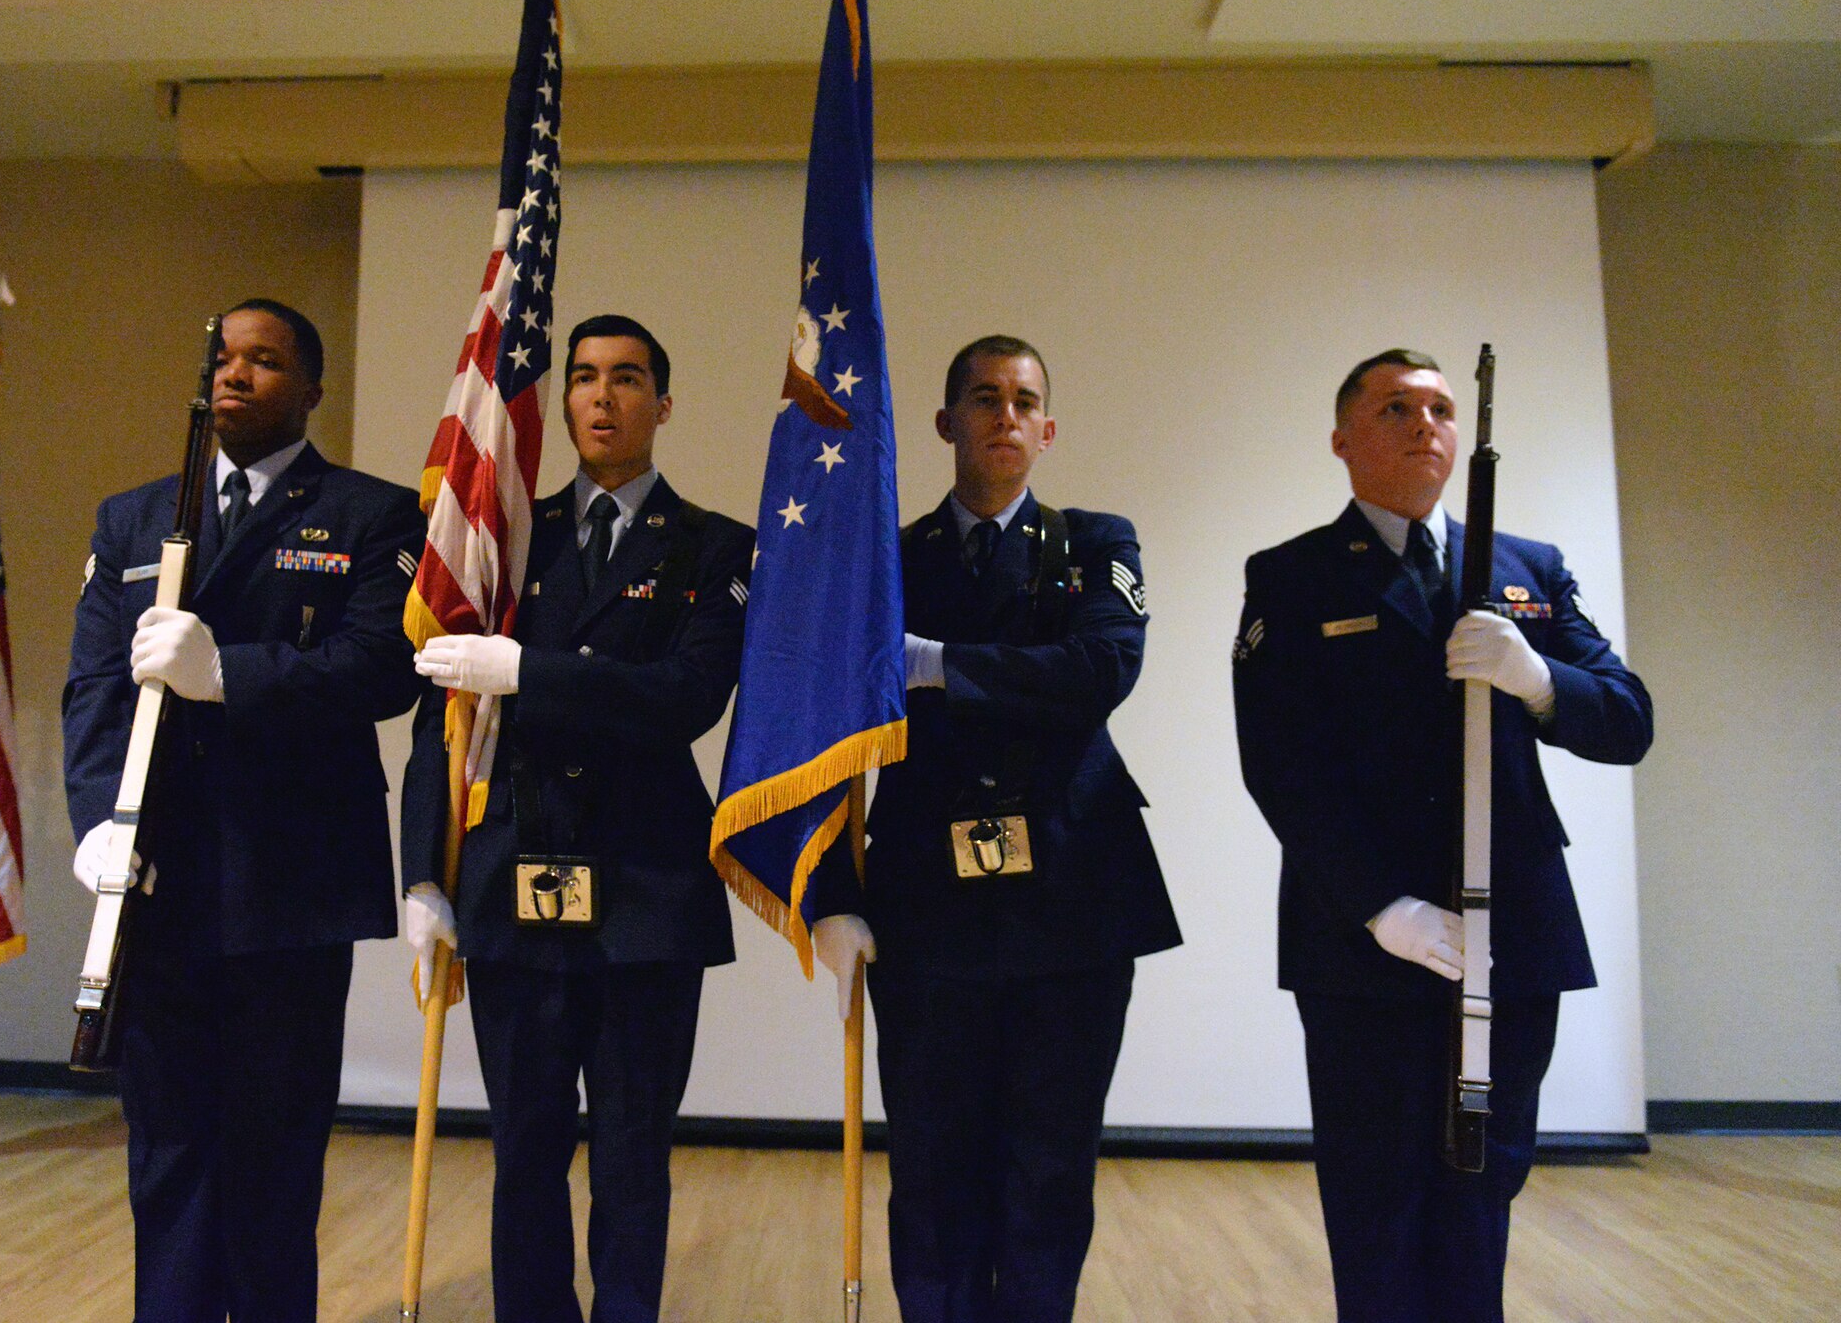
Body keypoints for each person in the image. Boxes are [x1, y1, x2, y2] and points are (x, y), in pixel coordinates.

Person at [1231, 348, 1653, 1323]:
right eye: (1393, 408)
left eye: (1436, 409)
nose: (1423, 425)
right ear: (1343, 440)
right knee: (1375, 1196)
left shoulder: (1523, 571)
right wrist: (1378, 905)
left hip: (1512, 931)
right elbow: (1280, 766)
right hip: (1365, 942)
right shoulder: (1290, 577)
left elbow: (1626, 719)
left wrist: (1540, 681)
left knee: (1481, 1185)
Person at [62, 298, 426, 1321]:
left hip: (291, 878)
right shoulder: (133, 519)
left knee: (273, 1155)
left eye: (264, 361)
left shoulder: (370, 512)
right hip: (161, 875)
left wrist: (228, 671)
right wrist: (98, 817)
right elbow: (93, 683)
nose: (235, 374)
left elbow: (378, 670)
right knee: (168, 1150)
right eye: (223, 357)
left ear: (310, 388)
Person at [812, 335, 1180, 1323]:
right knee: (932, 1163)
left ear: (1047, 429)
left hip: (1073, 898)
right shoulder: (886, 562)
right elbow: (821, 732)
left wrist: (937, 665)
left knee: (1049, 1163)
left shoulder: (1099, 544)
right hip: (927, 901)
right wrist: (829, 896)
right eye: (983, 399)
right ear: (945, 423)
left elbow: (1102, 669)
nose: (1004, 416)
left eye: (1023, 401)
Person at [400, 315, 755, 1323]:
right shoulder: (507, 536)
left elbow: (683, 696)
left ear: (663, 404)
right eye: (586, 378)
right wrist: (423, 872)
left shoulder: (715, 546)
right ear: (560, 403)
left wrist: (531, 672)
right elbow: (446, 713)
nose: (602, 396)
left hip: (644, 884)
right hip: (515, 862)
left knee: (633, 1152)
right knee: (523, 1148)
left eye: (628, 377)